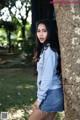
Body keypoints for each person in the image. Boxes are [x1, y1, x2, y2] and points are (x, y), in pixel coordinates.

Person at [28, 19, 64, 120]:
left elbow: (47, 77)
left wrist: (39, 98)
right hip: (55, 93)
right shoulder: (46, 49)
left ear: (50, 32)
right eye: (38, 31)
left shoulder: (49, 51)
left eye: (44, 30)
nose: (41, 34)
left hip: (52, 93)